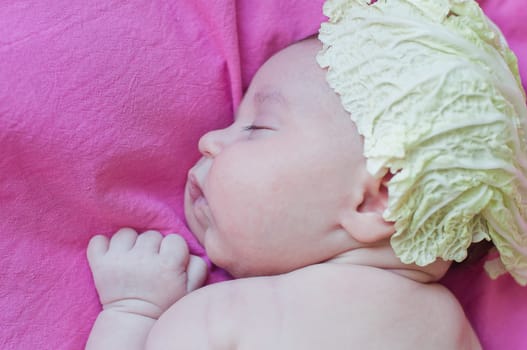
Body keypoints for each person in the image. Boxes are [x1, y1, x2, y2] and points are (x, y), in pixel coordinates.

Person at [86, 0, 527, 349]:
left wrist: (133, 312)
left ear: (379, 197)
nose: (210, 140)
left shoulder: (224, 315)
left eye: (257, 128)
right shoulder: (454, 333)